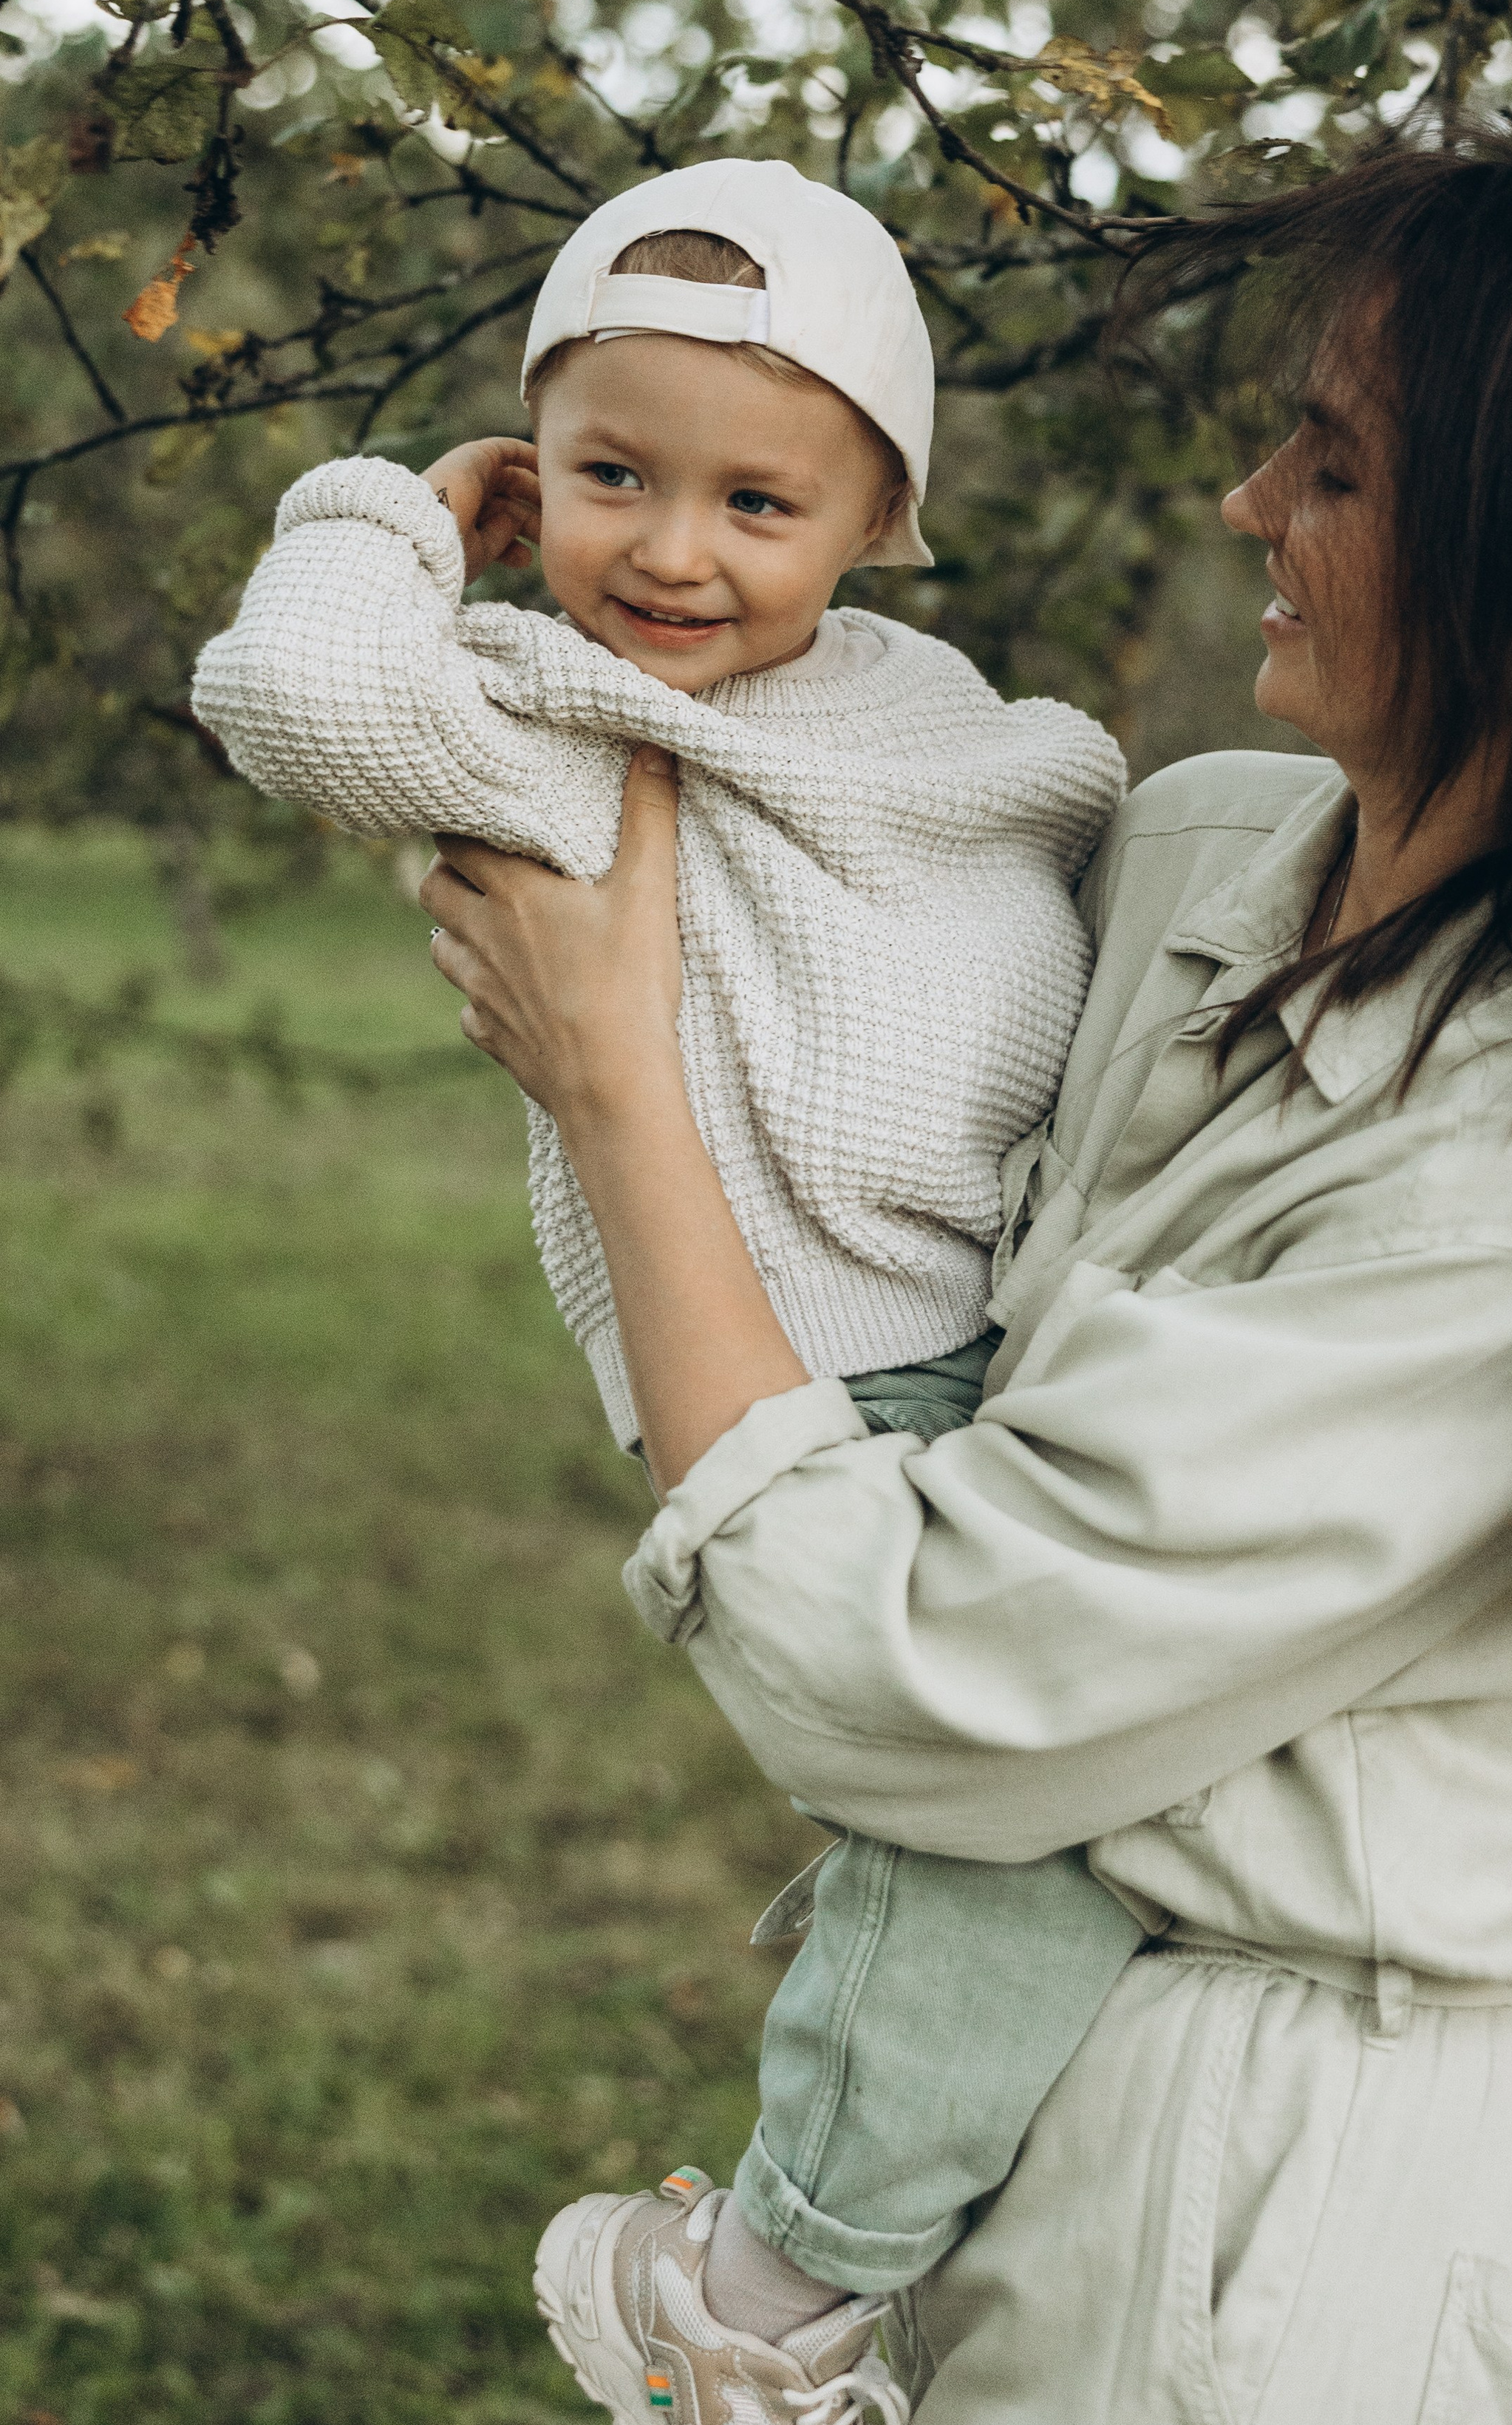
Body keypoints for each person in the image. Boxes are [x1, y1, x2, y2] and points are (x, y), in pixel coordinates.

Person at [420, 139, 1512, 2423]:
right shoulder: (1201, 849)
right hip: (989, 2082)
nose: (1244, 504)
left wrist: (616, 1085)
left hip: (1278, 2223)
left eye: (1337, 462)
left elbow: (919, 1674)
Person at [191, 158, 1169, 2422]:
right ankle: (764, 2284)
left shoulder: (923, 711)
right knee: (1022, 1824)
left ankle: (882, 2136)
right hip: (812, 1356)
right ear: (541, 485)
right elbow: (299, 698)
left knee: (1055, 1805)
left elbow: (1054, 824)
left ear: (875, 525)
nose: (675, 552)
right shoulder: (544, 707)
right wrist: (400, 512)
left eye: (758, 500)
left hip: (1012, 1338)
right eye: (612, 478)